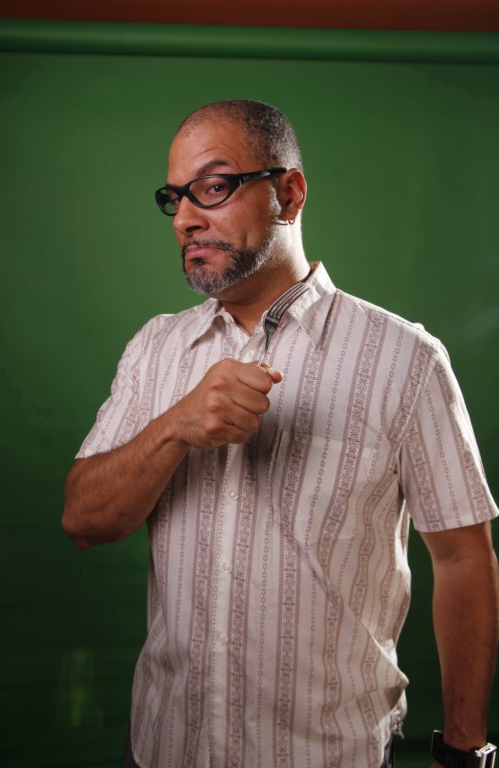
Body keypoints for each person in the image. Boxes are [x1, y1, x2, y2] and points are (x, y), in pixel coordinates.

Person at [62, 100, 499, 768]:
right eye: (175, 197)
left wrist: (466, 747)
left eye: (213, 187)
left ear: (289, 194)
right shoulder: (155, 349)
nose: (184, 218)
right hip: (165, 748)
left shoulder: (406, 360)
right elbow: (85, 520)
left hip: (332, 755)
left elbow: (463, 556)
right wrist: (176, 427)